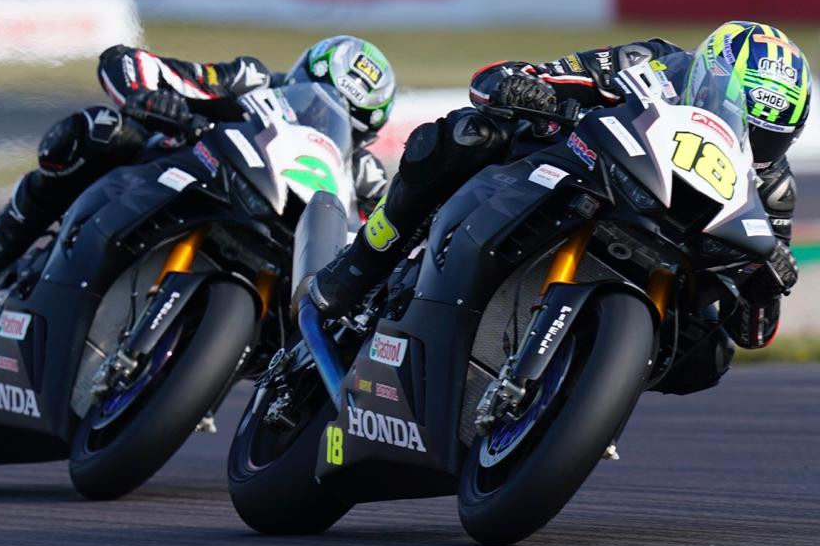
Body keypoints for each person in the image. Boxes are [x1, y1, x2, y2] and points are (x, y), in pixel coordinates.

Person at [310, 21, 808, 391]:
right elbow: (508, 78)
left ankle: (586, 387)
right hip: (580, 171)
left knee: (711, 355)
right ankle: (359, 264)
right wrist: (532, 88)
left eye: (769, 138)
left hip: (670, 256)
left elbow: (755, 334)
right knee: (467, 134)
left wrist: (765, 286)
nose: (751, 142)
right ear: (706, 80)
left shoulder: (773, 190)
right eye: (746, 122)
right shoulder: (650, 65)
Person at [0, 35, 397, 302]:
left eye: (344, 120)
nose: (320, 119)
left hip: (277, 242)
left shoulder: (364, 175)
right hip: (178, 174)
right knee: (100, 129)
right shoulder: (250, 81)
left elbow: (382, 239)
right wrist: (148, 96)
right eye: (315, 97)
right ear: (297, 79)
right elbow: (137, 64)